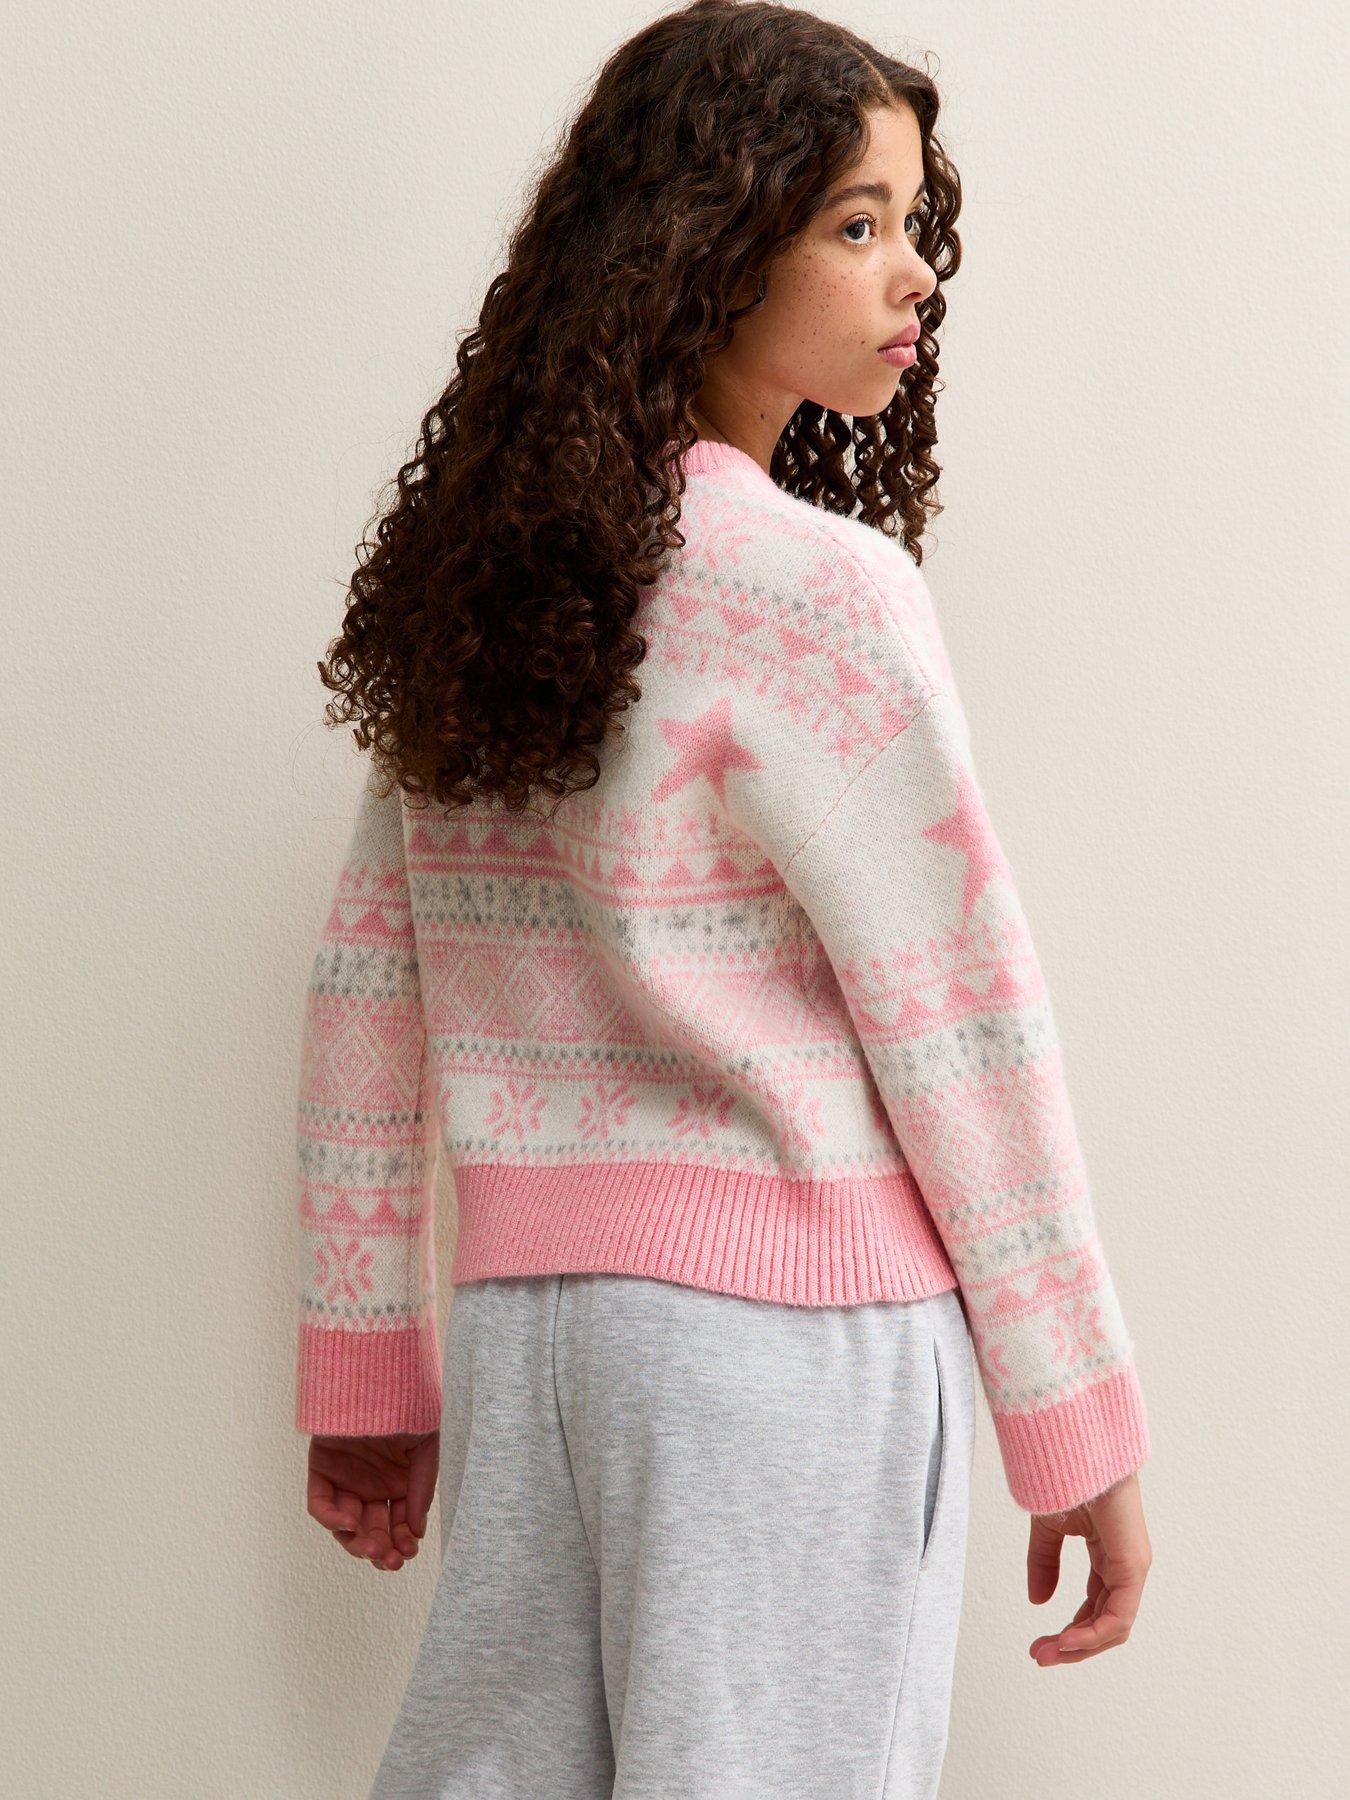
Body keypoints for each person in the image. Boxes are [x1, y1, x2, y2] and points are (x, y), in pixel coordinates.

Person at [292, 3, 1153, 1793]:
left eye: (913, 223)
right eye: (855, 222)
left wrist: (367, 1366)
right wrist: (1072, 1414)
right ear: (707, 244)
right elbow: (960, 1013)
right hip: (787, 1337)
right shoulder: (815, 587)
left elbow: (372, 986)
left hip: (535, 1339)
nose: (912, 272)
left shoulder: (492, 587)